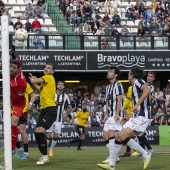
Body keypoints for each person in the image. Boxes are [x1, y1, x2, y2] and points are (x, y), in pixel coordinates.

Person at [97, 68, 152, 170]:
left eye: (129, 74)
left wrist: (137, 104)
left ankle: (144, 154)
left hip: (142, 117)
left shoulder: (138, 81)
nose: (128, 76)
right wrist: (128, 117)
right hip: (136, 117)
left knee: (120, 136)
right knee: (119, 137)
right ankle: (112, 164)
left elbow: (147, 90)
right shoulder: (134, 85)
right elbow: (138, 108)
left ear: (133, 75)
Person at [29, 63, 57, 165]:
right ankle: (43, 155)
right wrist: (33, 80)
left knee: (40, 131)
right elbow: (37, 87)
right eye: (45, 67)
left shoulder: (49, 77)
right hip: (44, 109)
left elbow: (34, 81)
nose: (46, 69)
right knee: (37, 132)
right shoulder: (45, 84)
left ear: (52, 72)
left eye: (49, 68)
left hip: (50, 110)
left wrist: (33, 79)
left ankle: (45, 157)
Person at [98, 65, 124, 165]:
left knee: (110, 134)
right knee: (104, 136)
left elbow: (119, 99)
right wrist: (106, 114)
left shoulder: (118, 85)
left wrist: (117, 113)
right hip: (109, 115)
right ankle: (115, 156)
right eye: (108, 71)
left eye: (111, 71)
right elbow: (108, 102)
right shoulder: (108, 87)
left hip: (116, 114)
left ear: (116, 75)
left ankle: (112, 157)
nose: (108, 72)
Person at [46, 81, 72, 157]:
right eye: (59, 84)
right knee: (48, 134)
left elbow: (70, 107)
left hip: (59, 119)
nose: (60, 86)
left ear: (63, 87)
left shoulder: (65, 96)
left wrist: (66, 114)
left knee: (56, 136)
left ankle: (51, 150)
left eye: (62, 85)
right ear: (57, 86)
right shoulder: (52, 94)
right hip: (50, 117)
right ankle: (44, 151)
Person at [10, 45, 27, 154]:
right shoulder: (17, 69)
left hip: (18, 103)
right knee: (10, 125)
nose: (11, 69)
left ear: (17, 70)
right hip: (11, 100)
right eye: (10, 67)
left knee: (13, 123)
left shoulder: (20, 83)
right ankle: (18, 146)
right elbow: (17, 60)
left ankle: (12, 148)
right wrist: (13, 54)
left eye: (13, 68)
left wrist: (9, 99)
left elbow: (18, 97)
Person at [16, 82, 35, 159]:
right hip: (12, 111)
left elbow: (33, 95)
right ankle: (20, 148)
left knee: (22, 131)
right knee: (11, 132)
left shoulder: (25, 84)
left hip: (23, 111)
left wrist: (30, 103)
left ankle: (26, 153)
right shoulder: (10, 83)